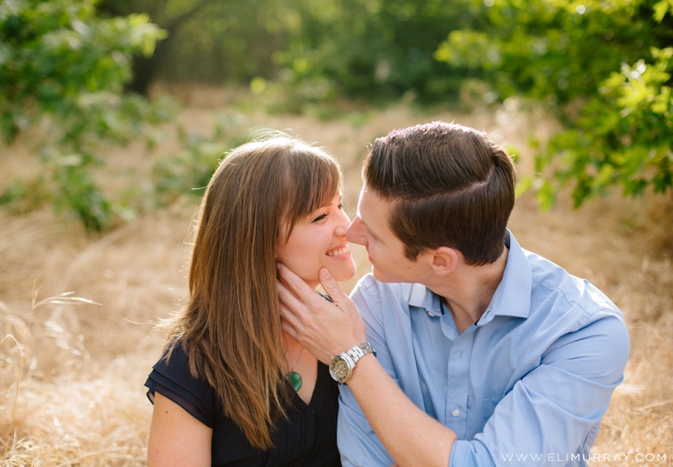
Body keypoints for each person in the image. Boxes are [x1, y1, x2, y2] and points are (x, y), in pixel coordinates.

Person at [277, 121, 630, 467]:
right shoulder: (377, 303)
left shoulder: (584, 333)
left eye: (374, 234)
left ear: (440, 261)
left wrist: (353, 359)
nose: (351, 235)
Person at [145, 134, 356, 466]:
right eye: (320, 217)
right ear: (258, 240)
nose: (348, 226)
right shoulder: (196, 361)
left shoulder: (354, 325)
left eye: (340, 206)